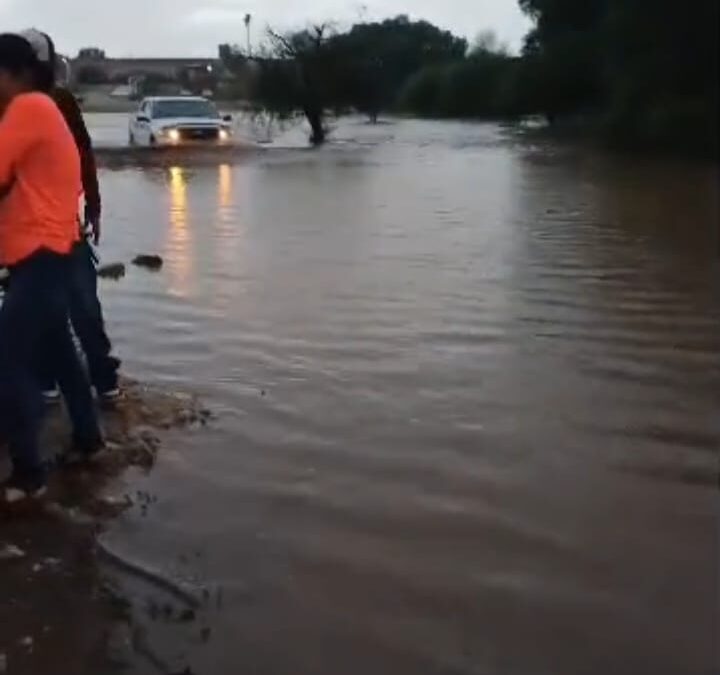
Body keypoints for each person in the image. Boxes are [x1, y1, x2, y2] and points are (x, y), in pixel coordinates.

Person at [0, 33, 102, 504]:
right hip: (51, 251)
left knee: (9, 361)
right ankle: (88, 439)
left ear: (14, 73)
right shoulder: (44, 109)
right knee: (60, 352)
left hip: (38, 254)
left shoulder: (27, 109)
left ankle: (28, 472)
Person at [19, 29, 121, 403]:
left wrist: (93, 206)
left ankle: (102, 378)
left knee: (83, 305)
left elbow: (83, 154)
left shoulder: (60, 102)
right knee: (41, 308)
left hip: (63, 224)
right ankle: (47, 379)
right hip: (20, 229)